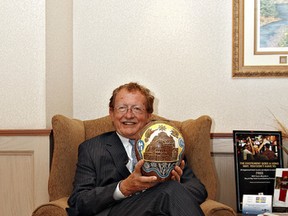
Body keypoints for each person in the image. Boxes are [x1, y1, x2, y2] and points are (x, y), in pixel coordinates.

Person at [66, 82, 207, 216]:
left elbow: (199, 190)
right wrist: (123, 188)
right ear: (111, 112)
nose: (128, 115)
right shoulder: (92, 148)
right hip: (115, 211)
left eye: (137, 108)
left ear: (148, 115)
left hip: (160, 210)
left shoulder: (168, 145)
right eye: (122, 108)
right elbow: (78, 201)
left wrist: (172, 188)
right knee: (170, 190)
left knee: (170, 189)